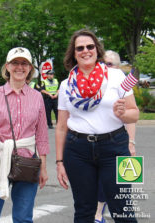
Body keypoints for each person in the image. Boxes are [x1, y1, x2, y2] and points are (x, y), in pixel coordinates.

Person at [56, 29, 139, 223]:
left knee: (122, 208)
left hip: (115, 147)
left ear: (97, 49)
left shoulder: (116, 75)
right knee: (84, 210)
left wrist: (122, 114)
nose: (86, 51)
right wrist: (59, 162)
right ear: (73, 53)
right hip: (78, 151)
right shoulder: (65, 85)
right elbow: (61, 127)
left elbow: (134, 114)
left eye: (90, 46)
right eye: (80, 48)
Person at [0, 47, 49, 223]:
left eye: (24, 63)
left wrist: (43, 167)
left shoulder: (37, 97)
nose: (19, 67)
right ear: (7, 67)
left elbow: (41, 134)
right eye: (15, 63)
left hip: (28, 160)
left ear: (30, 68)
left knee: (24, 217)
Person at [92, 50, 137, 223]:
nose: (105, 67)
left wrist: (131, 143)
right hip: (99, 143)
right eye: (103, 63)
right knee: (102, 181)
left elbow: (132, 118)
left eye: (109, 64)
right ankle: (98, 213)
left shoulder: (123, 84)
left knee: (124, 187)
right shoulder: (96, 83)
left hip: (121, 141)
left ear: (117, 67)